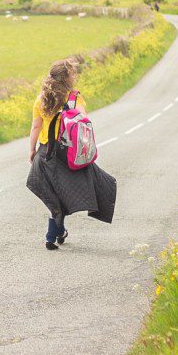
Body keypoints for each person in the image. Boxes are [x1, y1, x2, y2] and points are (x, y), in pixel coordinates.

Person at [26, 59, 117, 250]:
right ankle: (52, 234)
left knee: (53, 195)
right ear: (67, 78)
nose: (75, 76)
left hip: (45, 154)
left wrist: (32, 150)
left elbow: (36, 126)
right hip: (68, 154)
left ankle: (56, 234)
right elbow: (84, 121)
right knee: (98, 184)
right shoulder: (75, 98)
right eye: (73, 74)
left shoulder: (41, 98)